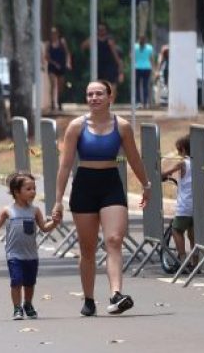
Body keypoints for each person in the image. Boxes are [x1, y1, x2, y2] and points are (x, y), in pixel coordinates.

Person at [51, 80, 150, 316]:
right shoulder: (76, 126)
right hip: (84, 185)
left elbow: (134, 158)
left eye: (99, 94)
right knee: (87, 249)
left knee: (114, 239)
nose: (94, 98)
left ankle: (116, 294)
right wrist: (58, 200)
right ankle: (89, 298)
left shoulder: (122, 126)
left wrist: (146, 184)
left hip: (111, 184)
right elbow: (65, 166)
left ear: (110, 97)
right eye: (90, 94)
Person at [0, 172, 59, 320]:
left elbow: (44, 227)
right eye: (28, 189)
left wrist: (55, 222)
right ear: (16, 192)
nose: (33, 192)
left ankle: (28, 304)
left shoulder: (35, 211)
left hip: (31, 254)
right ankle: (17, 307)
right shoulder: (8, 211)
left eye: (34, 188)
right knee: (16, 281)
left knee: (30, 283)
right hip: (14, 254)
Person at [161, 136, 195, 270]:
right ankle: (196, 262)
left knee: (176, 230)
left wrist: (160, 174)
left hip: (185, 205)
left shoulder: (183, 163)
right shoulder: (198, 163)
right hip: (197, 205)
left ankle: (182, 259)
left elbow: (165, 173)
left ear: (183, 150)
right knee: (193, 235)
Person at [81, 23, 124, 95]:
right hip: (98, 65)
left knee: (112, 84)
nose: (101, 31)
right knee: (98, 84)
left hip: (109, 65)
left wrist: (120, 66)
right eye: (99, 30)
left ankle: (110, 101)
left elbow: (115, 54)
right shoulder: (94, 39)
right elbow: (83, 47)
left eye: (102, 30)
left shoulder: (109, 40)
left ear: (106, 31)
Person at [44, 27, 72, 111]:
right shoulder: (49, 44)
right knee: (53, 84)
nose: (54, 35)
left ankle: (59, 102)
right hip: (52, 66)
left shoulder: (62, 42)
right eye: (52, 33)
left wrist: (68, 62)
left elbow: (67, 53)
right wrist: (54, 63)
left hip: (61, 65)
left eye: (55, 33)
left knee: (60, 86)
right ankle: (53, 103)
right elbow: (46, 56)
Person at [133, 35, 154, 108]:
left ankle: (138, 102)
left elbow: (132, 57)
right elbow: (151, 58)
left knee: (137, 86)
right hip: (147, 67)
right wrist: (153, 67)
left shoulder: (134, 47)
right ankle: (145, 102)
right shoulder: (149, 47)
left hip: (137, 67)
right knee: (145, 85)